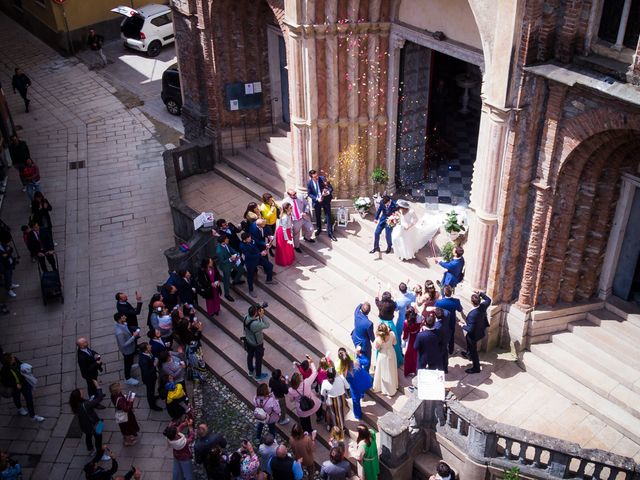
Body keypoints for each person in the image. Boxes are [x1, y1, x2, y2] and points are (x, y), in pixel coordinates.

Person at [0, 353, 44, 422]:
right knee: (16, 398)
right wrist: (15, 384)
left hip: (24, 383)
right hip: (15, 388)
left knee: (29, 399)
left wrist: (24, 369)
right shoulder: (4, 370)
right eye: (12, 358)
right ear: (8, 362)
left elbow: (21, 364)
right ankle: (19, 408)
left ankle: (32, 416)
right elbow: (5, 382)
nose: (14, 358)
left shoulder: (16, 361)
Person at [69, 388, 108, 458]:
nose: (81, 390)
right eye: (80, 391)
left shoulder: (76, 404)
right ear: (79, 396)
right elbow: (98, 399)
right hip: (95, 424)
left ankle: (91, 449)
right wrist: (98, 388)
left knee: (88, 436)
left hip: (84, 425)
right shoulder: (85, 404)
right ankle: (100, 454)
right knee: (99, 439)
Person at [460, 291, 491, 374]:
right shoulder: (483, 306)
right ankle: (468, 354)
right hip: (480, 329)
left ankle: (476, 368)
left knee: (474, 350)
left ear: (472, 302)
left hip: (473, 335)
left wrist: (462, 325)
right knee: (469, 343)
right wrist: (481, 294)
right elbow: (488, 300)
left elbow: (469, 329)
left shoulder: (472, 315)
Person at [287, 360, 322, 434]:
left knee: (305, 420)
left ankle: (308, 431)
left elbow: (291, 400)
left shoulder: (291, 390)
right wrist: (312, 362)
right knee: (319, 404)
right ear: (299, 380)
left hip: (301, 409)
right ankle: (319, 416)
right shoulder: (306, 382)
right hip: (313, 403)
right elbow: (315, 372)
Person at [240, 232, 277, 298]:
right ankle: (251, 290)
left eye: (250, 237)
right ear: (244, 240)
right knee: (250, 277)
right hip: (250, 262)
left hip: (259, 258)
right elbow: (248, 256)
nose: (250, 239)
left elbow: (258, 242)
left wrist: (266, 244)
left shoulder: (252, 239)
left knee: (270, 266)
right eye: (249, 238)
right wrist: (260, 254)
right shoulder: (242, 246)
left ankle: (269, 280)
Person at [375, 290, 403, 366]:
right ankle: (397, 358)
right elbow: (395, 302)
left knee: (380, 339)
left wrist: (378, 291)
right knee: (395, 341)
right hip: (390, 324)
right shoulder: (392, 304)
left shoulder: (380, 304)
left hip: (381, 323)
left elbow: (376, 299)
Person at [307, 169, 336, 241]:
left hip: (326, 200)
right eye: (315, 177)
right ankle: (319, 229)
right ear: (311, 177)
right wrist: (317, 198)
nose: (317, 177)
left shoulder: (322, 178)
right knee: (317, 215)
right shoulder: (309, 183)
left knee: (328, 216)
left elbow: (331, 188)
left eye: (317, 175)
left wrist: (327, 192)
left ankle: (330, 233)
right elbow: (309, 194)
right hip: (317, 202)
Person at [435, 285, 465, 355]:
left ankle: (441, 349)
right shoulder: (456, 301)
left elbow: (436, 310)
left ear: (444, 293)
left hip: (442, 321)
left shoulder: (439, 302)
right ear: (451, 293)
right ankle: (451, 350)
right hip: (451, 321)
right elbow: (460, 309)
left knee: (441, 335)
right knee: (451, 336)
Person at [243, 304, 270, 380]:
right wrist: (262, 316)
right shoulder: (255, 324)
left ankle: (251, 371)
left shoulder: (246, 317)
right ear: (255, 313)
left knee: (250, 355)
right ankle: (258, 376)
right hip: (257, 344)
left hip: (249, 341)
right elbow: (267, 325)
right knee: (258, 360)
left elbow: (253, 319)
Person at [215, 233, 245, 302]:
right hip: (225, 266)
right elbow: (222, 262)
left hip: (232, 261)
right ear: (223, 241)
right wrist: (230, 259)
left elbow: (231, 249)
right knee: (226, 280)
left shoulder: (226, 244)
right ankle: (227, 294)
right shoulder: (219, 251)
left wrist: (237, 254)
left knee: (241, 270)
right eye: (226, 239)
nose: (228, 239)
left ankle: (236, 281)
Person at [341, 354, 371, 421]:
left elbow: (347, 383)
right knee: (362, 390)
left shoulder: (344, 372)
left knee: (356, 401)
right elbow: (367, 362)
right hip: (365, 381)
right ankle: (362, 396)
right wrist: (360, 355)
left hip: (355, 388)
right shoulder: (357, 361)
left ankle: (358, 415)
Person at [372, 323, 398, 397]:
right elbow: (395, 343)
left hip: (383, 355)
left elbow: (377, 348)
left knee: (383, 372)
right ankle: (392, 388)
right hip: (391, 353)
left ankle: (384, 388)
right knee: (391, 370)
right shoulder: (392, 334)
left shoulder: (378, 339)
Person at [109, 382, 140, 446]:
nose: (121, 386)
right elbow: (126, 409)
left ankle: (128, 437)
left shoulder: (113, 395)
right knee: (127, 428)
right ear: (117, 389)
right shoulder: (119, 399)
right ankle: (128, 441)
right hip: (125, 416)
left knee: (125, 428)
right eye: (119, 386)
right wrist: (131, 401)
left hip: (122, 414)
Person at [114, 313, 140, 386]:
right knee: (127, 363)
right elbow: (123, 344)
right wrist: (133, 337)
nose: (125, 316)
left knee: (130, 360)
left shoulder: (122, 324)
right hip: (127, 350)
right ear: (119, 320)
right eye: (123, 316)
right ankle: (127, 378)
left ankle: (131, 365)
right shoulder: (119, 332)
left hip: (131, 348)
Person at [320, 368, 347, 435]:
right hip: (341, 398)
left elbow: (322, 393)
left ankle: (333, 427)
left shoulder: (325, 382)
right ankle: (342, 428)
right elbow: (348, 387)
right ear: (335, 374)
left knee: (333, 414)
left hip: (331, 400)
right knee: (341, 414)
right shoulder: (341, 378)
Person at [137, 342, 162, 411]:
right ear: (146, 350)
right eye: (149, 346)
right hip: (149, 379)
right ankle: (152, 405)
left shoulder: (146, 353)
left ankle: (153, 397)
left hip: (152, 376)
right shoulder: (143, 361)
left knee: (152, 389)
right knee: (150, 391)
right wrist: (154, 365)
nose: (150, 346)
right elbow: (147, 372)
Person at [351, 302, 374, 371]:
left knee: (359, 354)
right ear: (368, 312)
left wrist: (363, 304)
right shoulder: (369, 323)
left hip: (355, 339)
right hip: (364, 344)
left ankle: (358, 368)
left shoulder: (357, 313)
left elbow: (359, 305)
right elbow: (372, 338)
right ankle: (366, 372)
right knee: (367, 360)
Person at [402, 307, 422, 377]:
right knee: (416, 355)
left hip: (410, 339)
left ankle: (408, 371)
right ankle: (415, 369)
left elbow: (405, 336)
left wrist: (403, 341)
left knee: (408, 356)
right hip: (418, 336)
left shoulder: (406, 323)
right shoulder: (419, 318)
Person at [434, 308, 451, 373]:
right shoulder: (447, 314)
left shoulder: (437, 326)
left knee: (440, 356)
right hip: (446, 338)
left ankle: (441, 369)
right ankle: (445, 369)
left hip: (439, 342)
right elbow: (447, 311)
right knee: (445, 355)